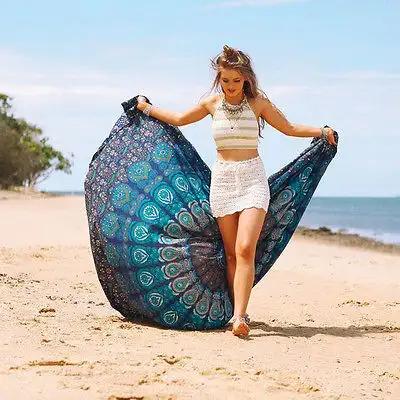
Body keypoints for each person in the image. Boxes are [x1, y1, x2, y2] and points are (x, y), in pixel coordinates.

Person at [134, 45, 336, 338]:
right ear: (219, 79)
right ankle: (236, 312)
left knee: (244, 249)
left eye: (236, 81)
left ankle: (239, 318)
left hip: (253, 179)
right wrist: (146, 107)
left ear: (246, 79)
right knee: (229, 254)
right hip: (224, 181)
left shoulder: (258, 104)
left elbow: (290, 128)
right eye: (225, 81)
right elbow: (178, 119)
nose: (230, 86)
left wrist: (321, 130)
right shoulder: (211, 104)